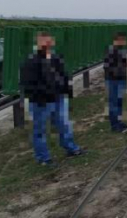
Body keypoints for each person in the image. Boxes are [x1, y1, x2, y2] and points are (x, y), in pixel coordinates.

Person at [20, 31, 84, 166]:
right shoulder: (31, 61)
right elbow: (28, 83)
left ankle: (71, 148)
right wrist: (41, 95)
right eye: (44, 42)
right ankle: (43, 158)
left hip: (58, 98)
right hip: (41, 102)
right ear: (38, 43)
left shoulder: (55, 58)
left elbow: (64, 75)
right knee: (40, 130)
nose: (46, 44)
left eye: (48, 41)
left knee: (64, 124)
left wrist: (67, 91)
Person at [104, 32, 127, 133]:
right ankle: (114, 125)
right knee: (113, 102)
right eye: (121, 39)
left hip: (121, 79)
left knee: (119, 102)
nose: (123, 42)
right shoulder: (110, 51)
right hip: (113, 80)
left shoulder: (121, 51)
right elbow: (107, 67)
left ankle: (119, 122)